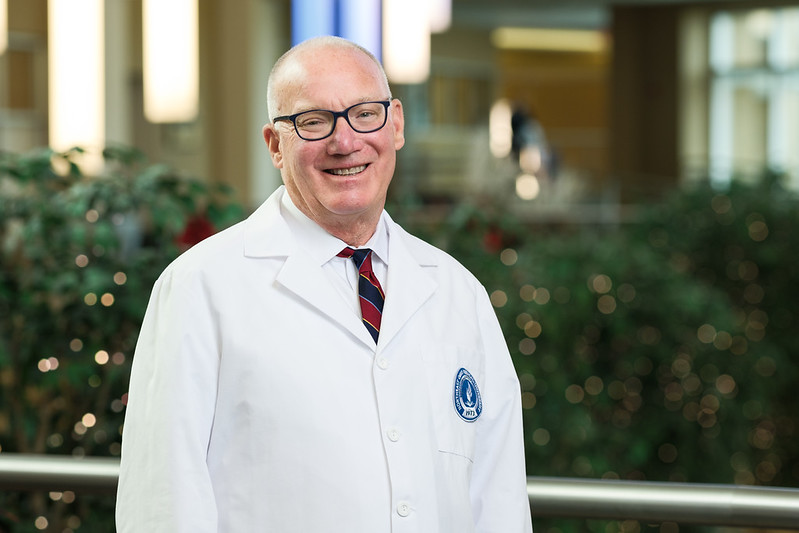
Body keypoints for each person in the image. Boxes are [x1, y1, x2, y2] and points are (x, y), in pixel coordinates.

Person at [116, 35, 533, 533]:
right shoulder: (199, 288)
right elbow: (163, 502)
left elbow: (498, 497)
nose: (345, 142)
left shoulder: (458, 294)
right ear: (275, 144)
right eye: (313, 121)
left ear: (395, 124)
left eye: (364, 113)